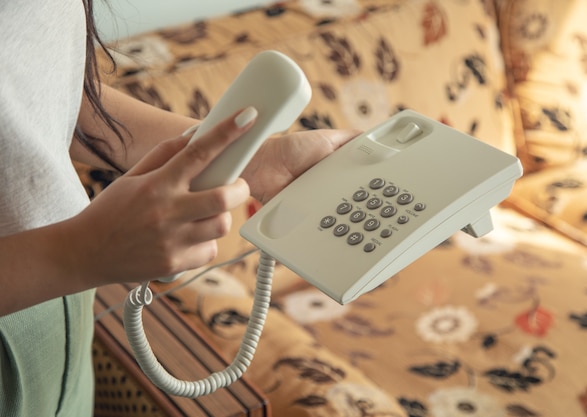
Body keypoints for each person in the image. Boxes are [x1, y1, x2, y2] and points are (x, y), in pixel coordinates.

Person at [0, 1, 357, 415]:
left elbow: (34, 86)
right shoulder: (77, 253)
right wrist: (81, 251)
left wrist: (256, 159)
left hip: (67, 298)